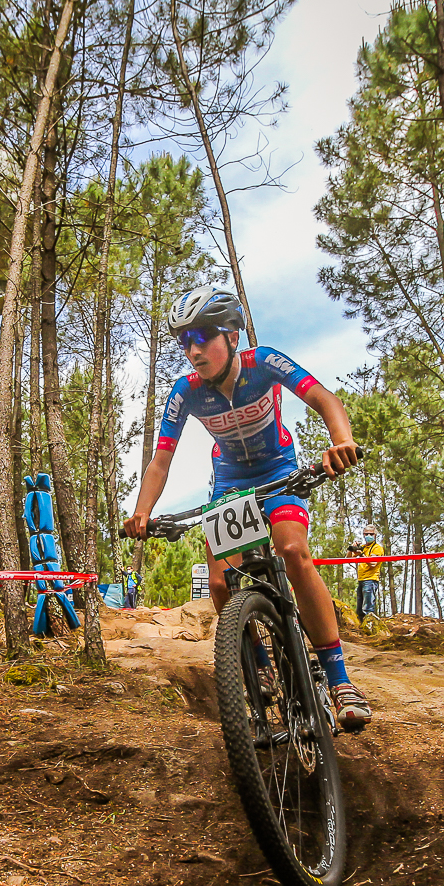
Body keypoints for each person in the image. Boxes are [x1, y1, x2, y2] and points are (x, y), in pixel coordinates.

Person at [121, 286, 371, 730]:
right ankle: (259, 663)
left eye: (203, 337)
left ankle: (339, 680)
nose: (193, 350)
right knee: (220, 583)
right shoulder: (185, 392)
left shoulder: (264, 363)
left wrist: (341, 441)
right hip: (231, 482)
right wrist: (142, 511)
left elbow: (324, 399)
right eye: (185, 341)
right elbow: (161, 460)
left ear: (232, 336)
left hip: (278, 469)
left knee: (293, 552)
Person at [354, 526, 384, 620]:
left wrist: (361, 554)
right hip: (361, 579)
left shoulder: (377, 548)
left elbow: (373, 564)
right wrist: (352, 547)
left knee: (367, 609)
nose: (368, 536)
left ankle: (370, 625)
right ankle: (361, 625)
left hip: (370, 580)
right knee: (359, 610)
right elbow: (348, 557)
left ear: (375, 535)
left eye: (371, 534)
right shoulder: (363, 547)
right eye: (366, 534)